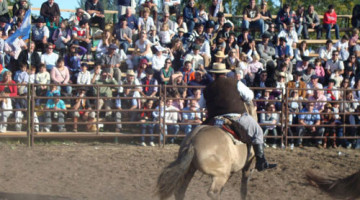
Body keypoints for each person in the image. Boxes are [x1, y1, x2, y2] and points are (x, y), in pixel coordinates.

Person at [199, 62, 276, 171]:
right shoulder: (235, 83)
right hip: (235, 116)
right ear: (225, 73)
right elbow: (250, 95)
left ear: (214, 74)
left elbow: (200, 105)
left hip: (214, 118)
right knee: (257, 131)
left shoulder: (207, 88)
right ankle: (260, 161)